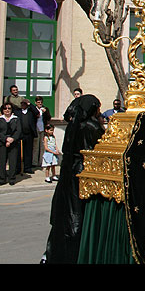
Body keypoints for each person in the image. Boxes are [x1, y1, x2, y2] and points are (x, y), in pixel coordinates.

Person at [42, 94, 105, 264]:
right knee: (77, 215)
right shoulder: (91, 126)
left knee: (65, 214)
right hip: (82, 173)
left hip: (69, 173)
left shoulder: (72, 126)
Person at [0, 102, 22, 186]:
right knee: (2, 161)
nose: (7, 110)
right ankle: (2, 178)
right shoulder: (0, 119)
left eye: (9, 108)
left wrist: (12, 139)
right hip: (2, 143)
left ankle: (12, 178)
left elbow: (18, 131)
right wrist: (5, 139)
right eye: (5, 108)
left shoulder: (16, 119)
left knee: (13, 161)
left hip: (13, 143)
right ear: (2, 110)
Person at [17, 98, 39, 175]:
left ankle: (27, 168)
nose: (23, 105)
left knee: (28, 152)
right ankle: (18, 168)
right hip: (20, 135)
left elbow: (37, 112)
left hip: (29, 134)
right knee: (19, 152)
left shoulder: (31, 112)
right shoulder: (18, 112)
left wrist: (30, 104)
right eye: (22, 104)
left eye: (25, 104)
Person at [33, 96, 52, 170]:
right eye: (38, 102)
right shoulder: (34, 109)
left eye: (41, 102)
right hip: (36, 129)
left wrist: (45, 112)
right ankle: (34, 162)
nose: (40, 104)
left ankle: (41, 162)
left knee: (42, 146)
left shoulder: (45, 109)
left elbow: (48, 118)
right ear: (35, 103)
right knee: (35, 146)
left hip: (43, 129)